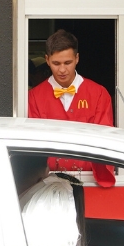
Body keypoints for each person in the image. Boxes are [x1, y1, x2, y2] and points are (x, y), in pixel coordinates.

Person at [25, 29, 115, 186]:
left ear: (77, 58)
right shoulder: (33, 97)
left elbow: (105, 141)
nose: (62, 70)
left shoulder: (99, 94)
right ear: (47, 60)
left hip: (89, 180)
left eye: (67, 63)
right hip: (47, 182)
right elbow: (33, 146)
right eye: (56, 63)